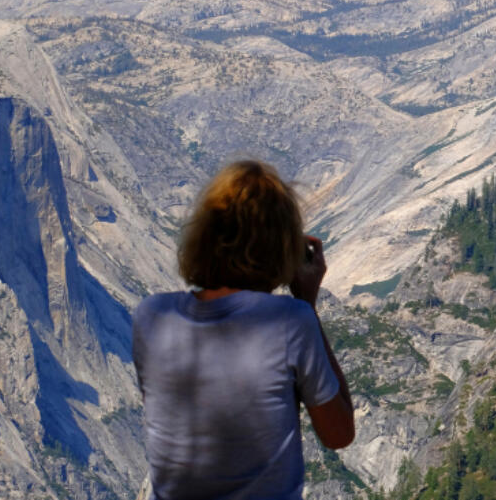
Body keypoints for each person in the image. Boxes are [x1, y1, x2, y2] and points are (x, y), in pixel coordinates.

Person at [133, 160, 355, 499]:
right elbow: (339, 435)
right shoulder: (290, 322)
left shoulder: (152, 317)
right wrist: (307, 304)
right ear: (283, 246)